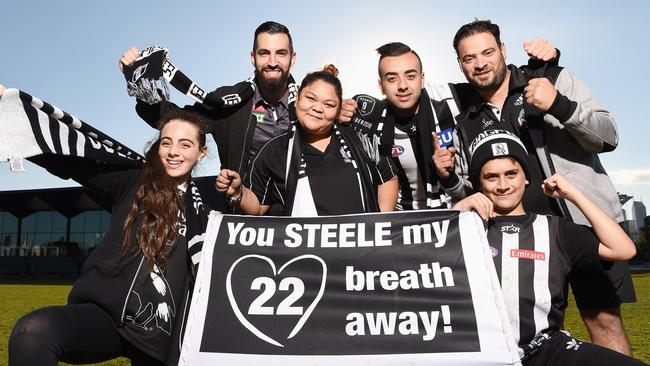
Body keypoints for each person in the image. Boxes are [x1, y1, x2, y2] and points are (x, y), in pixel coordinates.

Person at [433, 19, 635, 354]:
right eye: (469, 58)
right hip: (520, 239)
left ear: (503, 50)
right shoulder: (465, 118)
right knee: (539, 333)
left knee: (604, 321)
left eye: (487, 52)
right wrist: (451, 179)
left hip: (582, 226)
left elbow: (609, 136)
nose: (480, 63)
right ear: (460, 64)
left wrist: (560, 104)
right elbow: (474, 189)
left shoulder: (550, 78)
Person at [8, 108, 210, 366]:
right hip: (106, 316)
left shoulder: (208, 202)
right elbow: (73, 159)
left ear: (201, 152)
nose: (173, 152)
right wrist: (15, 113)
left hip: (164, 336)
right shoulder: (133, 181)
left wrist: (237, 194)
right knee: (32, 332)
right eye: (166, 142)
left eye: (185, 144)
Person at [120, 21, 356, 213]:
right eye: (264, 53)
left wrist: (338, 113)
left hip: (302, 214)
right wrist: (139, 83)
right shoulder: (228, 101)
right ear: (253, 58)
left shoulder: (310, 105)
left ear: (292, 58)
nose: (272, 62)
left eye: (280, 53)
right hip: (241, 216)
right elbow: (179, 121)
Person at [452, 131, 644, 366]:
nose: (503, 185)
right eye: (491, 177)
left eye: (511, 174)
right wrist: (457, 210)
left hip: (545, 350)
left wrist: (573, 194)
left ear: (526, 177)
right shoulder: (464, 228)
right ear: (479, 182)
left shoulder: (555, 229)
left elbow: (623, 249)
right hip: (482, 355)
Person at [349, 41, 557, 211]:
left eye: (410, 76)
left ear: (422, 79)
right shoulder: (370, 119)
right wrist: (340, 110)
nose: (403, 85)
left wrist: (547, 60)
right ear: (380, 86)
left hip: (457, 214)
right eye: (392, 78)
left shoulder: (451, 99)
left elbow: (498, 82)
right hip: (404, 223)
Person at [216, 67, 398, 216]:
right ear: (297, 100)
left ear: (337, 111)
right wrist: (238, 192)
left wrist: (380, 224)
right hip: (304, 256)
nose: (317, 108)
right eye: (310, 98)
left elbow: (387, 176)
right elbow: (259, 208)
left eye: (329, 104)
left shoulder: (358, 138)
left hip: (361, 253)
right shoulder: (274, 151)